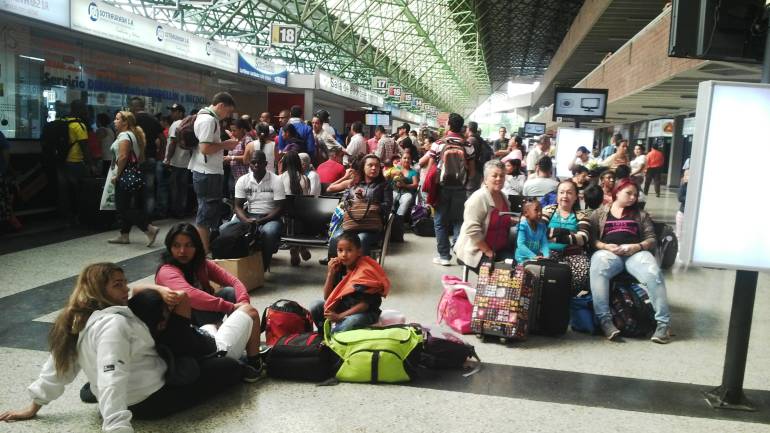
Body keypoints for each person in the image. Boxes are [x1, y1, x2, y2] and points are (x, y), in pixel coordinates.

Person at [0, 263, 242, 431]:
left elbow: (58, 366)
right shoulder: (114, 325)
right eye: (118, 285)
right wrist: (116, 426)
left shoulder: (80, 318)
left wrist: (34, 406)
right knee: (230, 368)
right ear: (98, 290)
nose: (126, 289)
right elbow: (111, 377)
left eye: (124, 282)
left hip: (133, 396)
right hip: (150, 401)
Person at [154, 223, 266, 372]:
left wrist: (243, 302)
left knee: (230, 292)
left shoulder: (200, 263)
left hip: (203, 317)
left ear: (196, 247)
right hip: (185, 324)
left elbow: (233, 281)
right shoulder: (166, 271)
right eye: (176, 245)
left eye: (188, 245)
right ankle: (253, 362)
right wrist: (231, 307)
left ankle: (239, 339)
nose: (182, 251)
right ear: (169, 247)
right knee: (248, 312)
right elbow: (192, 296)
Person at [589, 178, 672, 343]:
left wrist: (637, 246)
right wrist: (605, 246)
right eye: (629, 193)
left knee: (653, 273)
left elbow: (651, 239)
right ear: (617, 192)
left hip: (635, 253)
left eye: (635, 194)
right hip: (609, 253)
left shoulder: (641, 215)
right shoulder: (599, 213)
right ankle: (605, 321)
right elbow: (592, 240)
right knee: (598, 267)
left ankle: (663, 324)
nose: (633, 197)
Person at [127, 288, 261, 382]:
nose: (171, 307)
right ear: (161, 324)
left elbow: (136, 291)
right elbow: (183, 296)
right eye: (167, 308)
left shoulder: (150, 329)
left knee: (211, 325)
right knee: (249, 311)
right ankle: (254, 365)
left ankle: (244, 344)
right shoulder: (175, 330)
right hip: (218, 351)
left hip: (203, 340)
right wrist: (162, 290)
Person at [309, 232, 390, 333]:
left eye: (349, 250)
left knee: (352, 321)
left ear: (359, 252)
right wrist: (330, 274)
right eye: (340, 250)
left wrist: (340, 317)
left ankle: (333, 337)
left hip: (365, 313)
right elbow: (328, 297)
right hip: (344, 306)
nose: (344, 254)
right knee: (316, 306)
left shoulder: (365, 271)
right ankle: (324, 333)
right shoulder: (339, 267)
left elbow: (364, 305)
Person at [422, 113, 476, 266]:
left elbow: (431, 169)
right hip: (460, 188)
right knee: (458, 220)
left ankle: (444, 256)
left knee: (440, 221)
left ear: (450, 125)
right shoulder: (467, 145)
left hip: (442, 188)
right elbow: (472, 171)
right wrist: (464, 182)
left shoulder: (439, 143)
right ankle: (459, 251)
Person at [189, 92, 239, 253]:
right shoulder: (208, 120)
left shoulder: (206, 118)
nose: (228, 115)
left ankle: (205, 247)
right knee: (206, 211)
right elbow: (205, 148)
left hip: (206, 170)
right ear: (221, 105)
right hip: (207, 172)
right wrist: (226, 144)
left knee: (208, 210)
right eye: (228, 111)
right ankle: (203, 251)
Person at [107, 111, 160, 246]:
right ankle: (124, 235)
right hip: (131, 173)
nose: (114, 121)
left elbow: (123, 156)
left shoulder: (124, 135)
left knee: (122, 208)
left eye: (117, 119)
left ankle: (149, 229)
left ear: (125, 122)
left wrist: (117, 175)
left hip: (124, 173)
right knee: (125, 205)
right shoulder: (132, 134)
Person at [227, 150, 286, 270]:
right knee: (225, 230)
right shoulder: (243, 180)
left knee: (269, 233)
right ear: (249, 164)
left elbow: (280, 207)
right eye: (253, 162)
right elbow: (237, 206)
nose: (256, 165)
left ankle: (262, 268)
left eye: (259, 162)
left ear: (266, 163)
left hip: (270, 217)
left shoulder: (276, 180)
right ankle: (234, 268)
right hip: (248, 216)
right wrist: (246, 220)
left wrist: (262, 220)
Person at [326, 154, 392, 258]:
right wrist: (355, 201)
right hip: (351, 224)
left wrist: (369, 204)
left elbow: (387, 207)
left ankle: (359, 268)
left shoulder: (384, 185)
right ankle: (336, 267)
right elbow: (344, 203)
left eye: (377, 166)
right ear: (363, 167)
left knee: (361, 239)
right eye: (370, 165)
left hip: (371, 227)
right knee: (335, 238)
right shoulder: (354, 184)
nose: (374, 168)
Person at [454, 160, 514, 270]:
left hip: (499, 248)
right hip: (478, 250)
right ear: (485, 179)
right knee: (498, 274)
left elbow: (500, 219)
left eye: (502, 176)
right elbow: (472, 229)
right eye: (494, 176)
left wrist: (515, 220)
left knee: (516, 270)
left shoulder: (503, 197)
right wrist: (487, 250)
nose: (499, 179)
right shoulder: (478, 198)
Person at [541, 180, 591, 295]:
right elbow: (540, 231)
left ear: (575, 197)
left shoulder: (581, 215)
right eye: (562, 192)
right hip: (547, 251)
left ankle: (566, 297)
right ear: (557, 195)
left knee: (582, 267)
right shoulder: (548, 210)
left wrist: (556, 238)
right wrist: (568, 232)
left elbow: (583, 238)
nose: (565, 196)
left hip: (572, 254)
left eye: (569, 193)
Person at [55, 100, 95, 226]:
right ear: (80, 109)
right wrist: (91, 165)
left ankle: (66, 216)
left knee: (65, 191)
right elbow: (84, 147)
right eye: (84, 109)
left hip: (61, 161)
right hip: (75, 162)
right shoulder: (79, 125)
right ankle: (78, 216)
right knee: (79, 191)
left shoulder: (61, 121)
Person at [130, 97, 166, 218]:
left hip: (135, 159)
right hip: (151, 157)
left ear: (135, 107)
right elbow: (162, 139)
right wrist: (160, 154)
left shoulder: (133, 120)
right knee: (149, 190)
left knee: (133, 188)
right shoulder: (153, 119)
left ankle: (134, 215)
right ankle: (148, 216)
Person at [164, 104, 191, 218]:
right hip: (186, 162)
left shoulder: (176, 124)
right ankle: (181, 211)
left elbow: (173, 143)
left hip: (175, 162)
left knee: (174, 188)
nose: (171, 113)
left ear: (180, 113)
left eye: (174, 111)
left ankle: (175, 211)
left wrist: (168, 159)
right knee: (183, 189)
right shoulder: (189, 124)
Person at [391, 150, 419, 234]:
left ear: (411, 160)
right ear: (401, 159)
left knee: (407, 198)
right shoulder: (396, 168)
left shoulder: (413, 172)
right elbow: (389, 177)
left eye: (408, 158)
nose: (406, 160)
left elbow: (415, 184)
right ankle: (390, 217)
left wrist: (405, 185)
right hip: (395, 190)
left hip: (406, 192)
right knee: (391, 197)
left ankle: (398, 219)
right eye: (405, 158)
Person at [225, 118, 252, 197]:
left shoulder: (247, 140)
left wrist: (231, 158)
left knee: (244, 198)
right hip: (234, 174)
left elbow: (248, 157)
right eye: (231, 130)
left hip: (244, 175)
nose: (232, 133)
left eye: (234, 130)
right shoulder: (235, 140)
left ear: (242, 129)